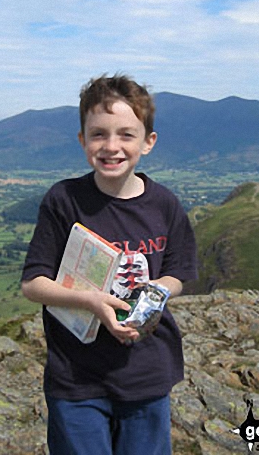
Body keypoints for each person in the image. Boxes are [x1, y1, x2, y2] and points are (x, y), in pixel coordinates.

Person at [21, 74, 197, 455]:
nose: (111, 146)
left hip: (147, 372)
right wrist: (91, 302)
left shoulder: (164, 204)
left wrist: (152, 297)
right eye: (98, 134)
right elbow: (33, 283)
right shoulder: (64, 200)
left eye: (126, 135)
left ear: (148, 142)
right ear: (83, 139)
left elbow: (179, 272)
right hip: (76, 378)